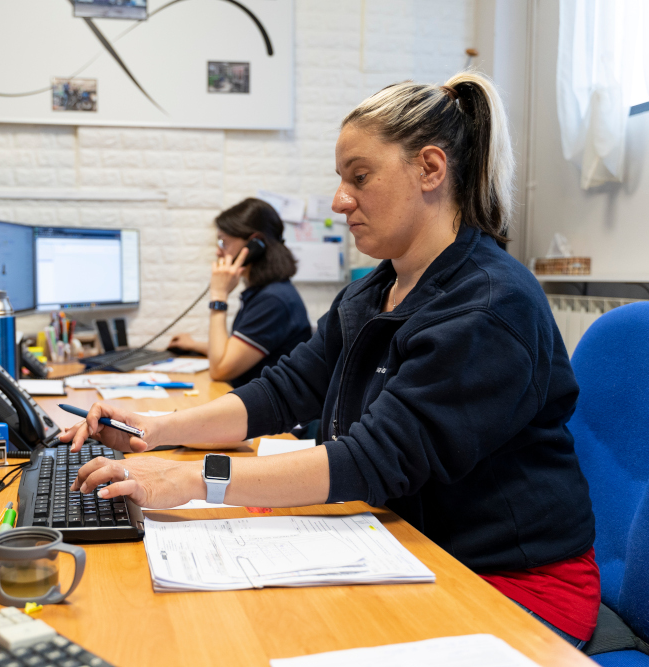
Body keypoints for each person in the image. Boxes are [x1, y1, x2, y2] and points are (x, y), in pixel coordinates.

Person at [62, 72, 599, 646]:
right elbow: (286, 390)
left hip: (512, 581)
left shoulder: (491, 305)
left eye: (360, 177)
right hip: (409, 544)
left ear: (431, 169)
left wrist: (191, 478)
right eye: (342, 180)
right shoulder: (376, 288)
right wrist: (160, 429)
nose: (341, 200)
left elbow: (369, 461)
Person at [168, 198, 312, 388]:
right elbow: (236, 351)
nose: (219, 252)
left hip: (273, 415)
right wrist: (194, 345)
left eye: (223, 242)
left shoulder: (273, 300)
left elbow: (220, 369)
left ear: (255, 246)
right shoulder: (267, 292)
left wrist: (219, 296)